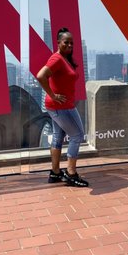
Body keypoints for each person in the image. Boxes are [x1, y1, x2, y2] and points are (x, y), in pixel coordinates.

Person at [36, 27, 89, 187]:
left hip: (59, 106)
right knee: (77, 135)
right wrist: (53, 95)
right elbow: (41, 75)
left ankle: (55, 173)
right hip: (61, 106)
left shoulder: (65, 59)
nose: (70, 45)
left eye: (72, 43)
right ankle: (71, 173)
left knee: (58, 137)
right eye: (66, 42)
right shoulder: (57, 59)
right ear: (58, 43)